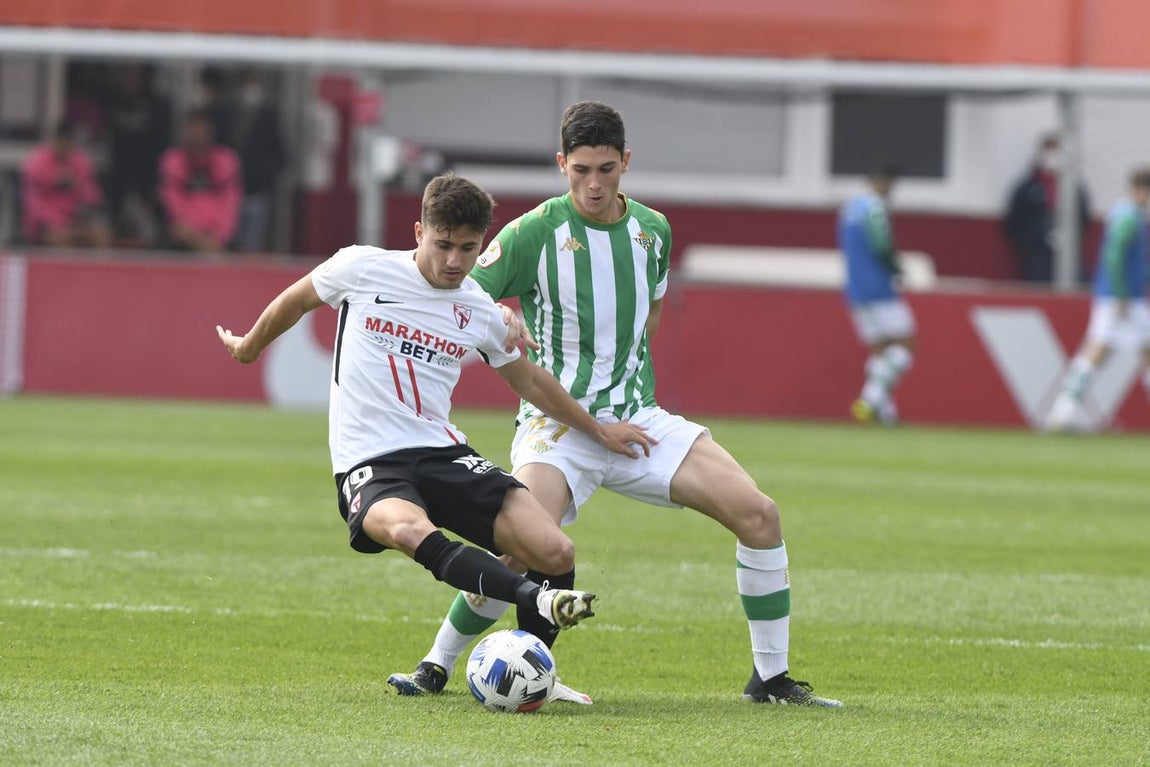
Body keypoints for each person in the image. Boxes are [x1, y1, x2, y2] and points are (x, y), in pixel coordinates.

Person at [387, 101, 841, 707]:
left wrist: (619, 385)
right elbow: (463, 295)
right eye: (580, 171)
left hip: (637, 421)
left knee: (760, 515)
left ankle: (771, 679)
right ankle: (435, 666)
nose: (594, 184)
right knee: (522, 546)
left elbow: (649, 311)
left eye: (606, 169)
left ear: (626, 162)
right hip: (558, 426)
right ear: (561, 166)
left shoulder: (654, 231)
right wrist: (501, 313)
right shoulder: (530, 233)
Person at [216, 172, 656, 651]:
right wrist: (248, 347)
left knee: (554, 549)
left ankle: (535, 673)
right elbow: (295, 301)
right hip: (370, 461)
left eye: (468, 249)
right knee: (407, 529)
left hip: (442, 452)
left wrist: (598, 429)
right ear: (419, 232)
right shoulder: (362, 268)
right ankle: (534, 598)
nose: (454, 261)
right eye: (443, 244)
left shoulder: (480, 309)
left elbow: (528, 380)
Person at [1045, 168, 1150, 433]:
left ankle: (1063, 412)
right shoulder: (1128, 218)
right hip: (1124, 298)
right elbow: (1114, 257)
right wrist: (1122, 294)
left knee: (1097, 352)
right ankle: (1062, 412)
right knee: (1103, 351)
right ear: (1140, 188)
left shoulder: (1126, 215)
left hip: (1117, 296)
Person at [837, 164, 914, 426]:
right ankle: (870, 401)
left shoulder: (849, 209)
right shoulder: (875, 208)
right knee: (904, 344)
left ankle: (884, 414)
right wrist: (896, 268)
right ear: (883, 182)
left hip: (855, 289)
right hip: (879, 287)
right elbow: (882, 243)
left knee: (879, 350)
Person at [1002, 134, 1091, 285]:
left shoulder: (1074, 189)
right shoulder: (1027, 187)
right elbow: (1014, 221)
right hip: (1037, 255)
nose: (1052, 158)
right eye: (1048, 152)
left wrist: (1070, 237)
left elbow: (1083, 218)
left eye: (1056, 153)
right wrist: (1031, 239)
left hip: (1067, 255)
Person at [106, 63, 171, 246]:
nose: (130, 77)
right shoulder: (114, 101)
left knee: (148, 230)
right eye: (126, 71)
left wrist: (158, 181)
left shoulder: (156, 104)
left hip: (146, 176)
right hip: (119, 174)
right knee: (116, 227)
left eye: (134, 71)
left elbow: (163, 144)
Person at [160, 111, 242, 254]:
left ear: (210, 133)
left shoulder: (225, 161)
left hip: (217, 238)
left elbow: (229, 203)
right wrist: (196, 238)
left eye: (201, 131)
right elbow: (173, 202)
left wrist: (219, 237)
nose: (197, 137)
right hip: (185, 236)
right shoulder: (173, 160)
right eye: (192, 132)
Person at [19, 121, 111, 248]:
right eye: (61, 143)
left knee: (100, 233)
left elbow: (93, 198)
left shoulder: (79, 161)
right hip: (47, 222)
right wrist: (58, 221)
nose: (65, 148)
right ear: (54, 141)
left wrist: (76, 184)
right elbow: (32, 203)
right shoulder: (36, 163)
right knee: (61, 237)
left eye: (69, 144)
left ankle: (98, 268)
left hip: (76, 219)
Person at [229, 70, 287, 252]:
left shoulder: (269, 117)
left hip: (257, 189)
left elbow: (280, 153)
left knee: (252, 241)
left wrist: (266, 176)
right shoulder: (230, 113)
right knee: (229, 239)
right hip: (227, 189)